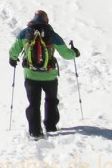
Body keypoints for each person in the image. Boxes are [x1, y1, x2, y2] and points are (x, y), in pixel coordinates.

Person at [8, 9, 80, 138]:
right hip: (49, 75)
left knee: (34, 103)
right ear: (46, 20)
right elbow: (66, 54)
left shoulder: (25, 33)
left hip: (30, 75)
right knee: (51, 100)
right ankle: (50, 126)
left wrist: (13, 59)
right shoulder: (52, 35)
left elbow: (13, 50)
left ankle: (35, 132)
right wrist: (75, 52)